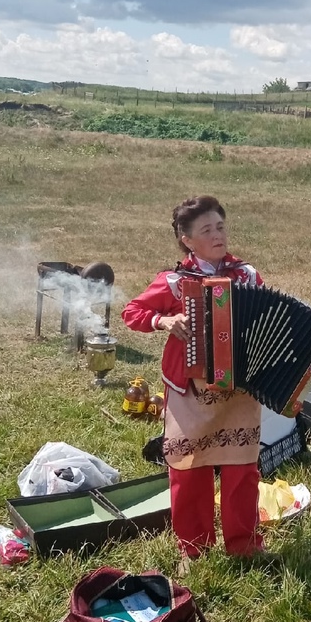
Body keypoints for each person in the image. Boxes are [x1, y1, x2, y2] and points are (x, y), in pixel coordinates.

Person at [121, 195, 265, 565]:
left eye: (220, 226)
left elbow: (266, 316)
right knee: (189, 470)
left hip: (239, 387)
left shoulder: (247, 276)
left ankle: (244, 545)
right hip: (189, 389)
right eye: (207, 230)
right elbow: (132, 311)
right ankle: (194, 549)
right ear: (187, 239)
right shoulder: (174, 282)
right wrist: (164, 321)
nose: (218, 234)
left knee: (241, 469)